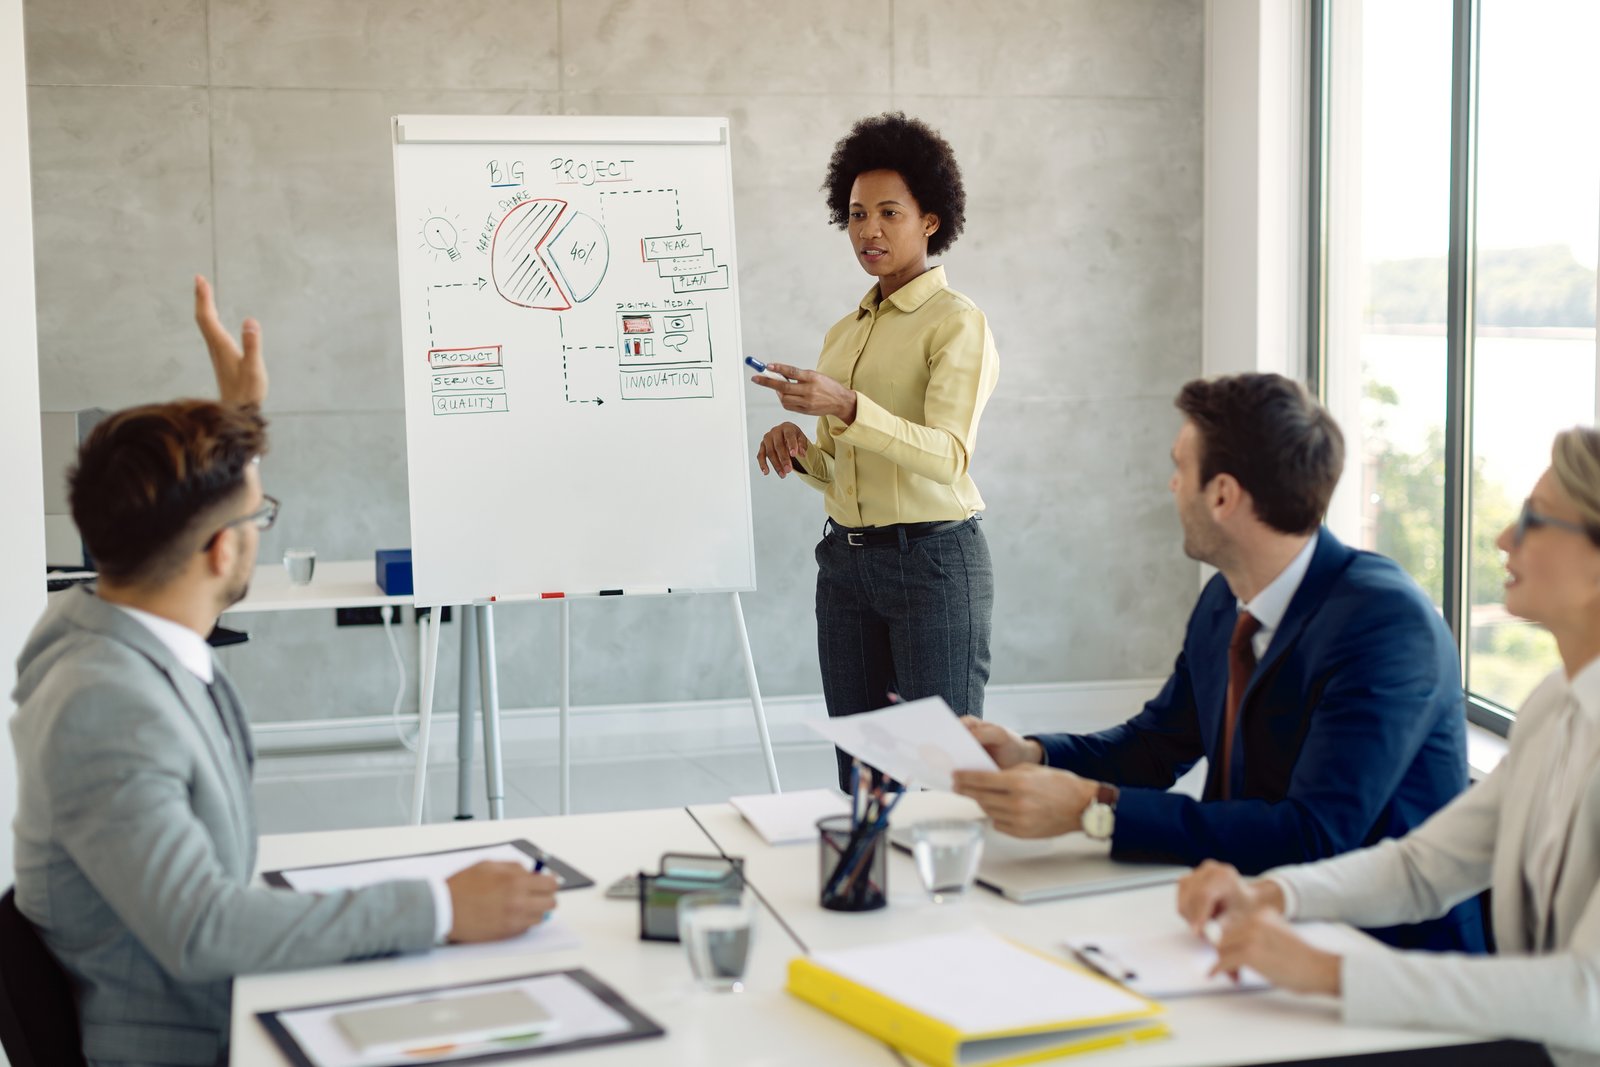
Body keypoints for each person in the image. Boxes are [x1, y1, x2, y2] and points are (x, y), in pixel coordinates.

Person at [8, 277, 557, 1067]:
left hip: (229, 1002)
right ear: (223, 550)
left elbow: (205, 502)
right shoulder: (106, 703)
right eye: (259, 517)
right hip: (199, 1038)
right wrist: (438, 906)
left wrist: (242, 426)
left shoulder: (100, 630)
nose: (259, 528)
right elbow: (203, 929)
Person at [953, 373, 1482, 952]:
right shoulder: (1226, 598)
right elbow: (1156, 745)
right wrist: (1032, 754)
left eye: (1181, 467)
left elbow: (1314, 836)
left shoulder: (1385, 624)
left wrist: (1093, 810)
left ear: (1224, 495)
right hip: (1244, 927)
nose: (1173, 484)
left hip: (1380, 962)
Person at [1177, 428, 1600, 1066]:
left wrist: (1328, 972)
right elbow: (1422, 868)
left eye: (1533, 521)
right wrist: (1276, 895)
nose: (1502, 539)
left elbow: (1587, 996)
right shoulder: (1554, 706)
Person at [751, 112, 1000, 790]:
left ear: (930, 220)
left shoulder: (957, 324)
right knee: (862, 777)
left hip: (934, 563)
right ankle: (866, 896)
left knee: (942, 776)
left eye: (890, 211)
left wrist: (847, 407)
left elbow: (949, 455)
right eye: (857, 214)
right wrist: (801, 448)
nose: (869, 230)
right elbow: (842, 468)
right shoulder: (844, 333)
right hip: (847, 568)